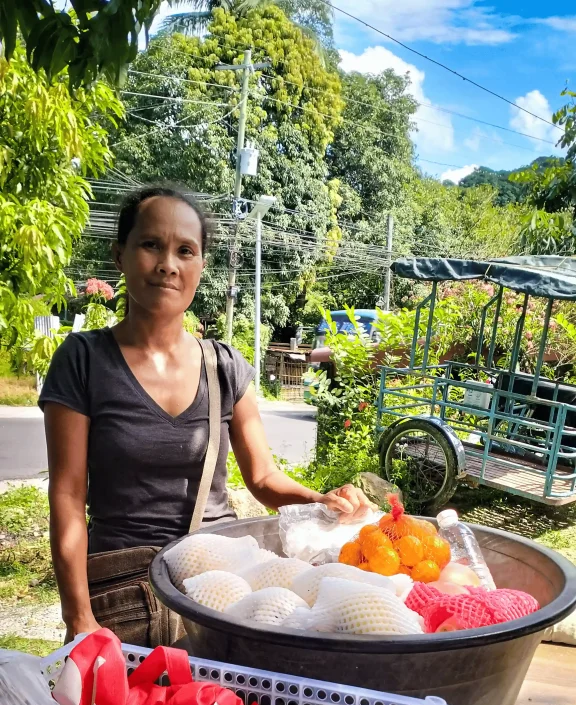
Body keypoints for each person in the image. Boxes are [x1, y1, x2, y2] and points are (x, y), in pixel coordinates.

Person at [40, 185, 374, 644]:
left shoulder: (224, 366)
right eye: (150, 245)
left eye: (185, 250)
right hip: (123, 590)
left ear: (200, 265)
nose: (167, 264)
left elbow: (263, 479)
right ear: (120, 255)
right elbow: (68, 496)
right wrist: (79, 619)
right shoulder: (83, 359)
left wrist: (323, 502)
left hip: (221, 581)